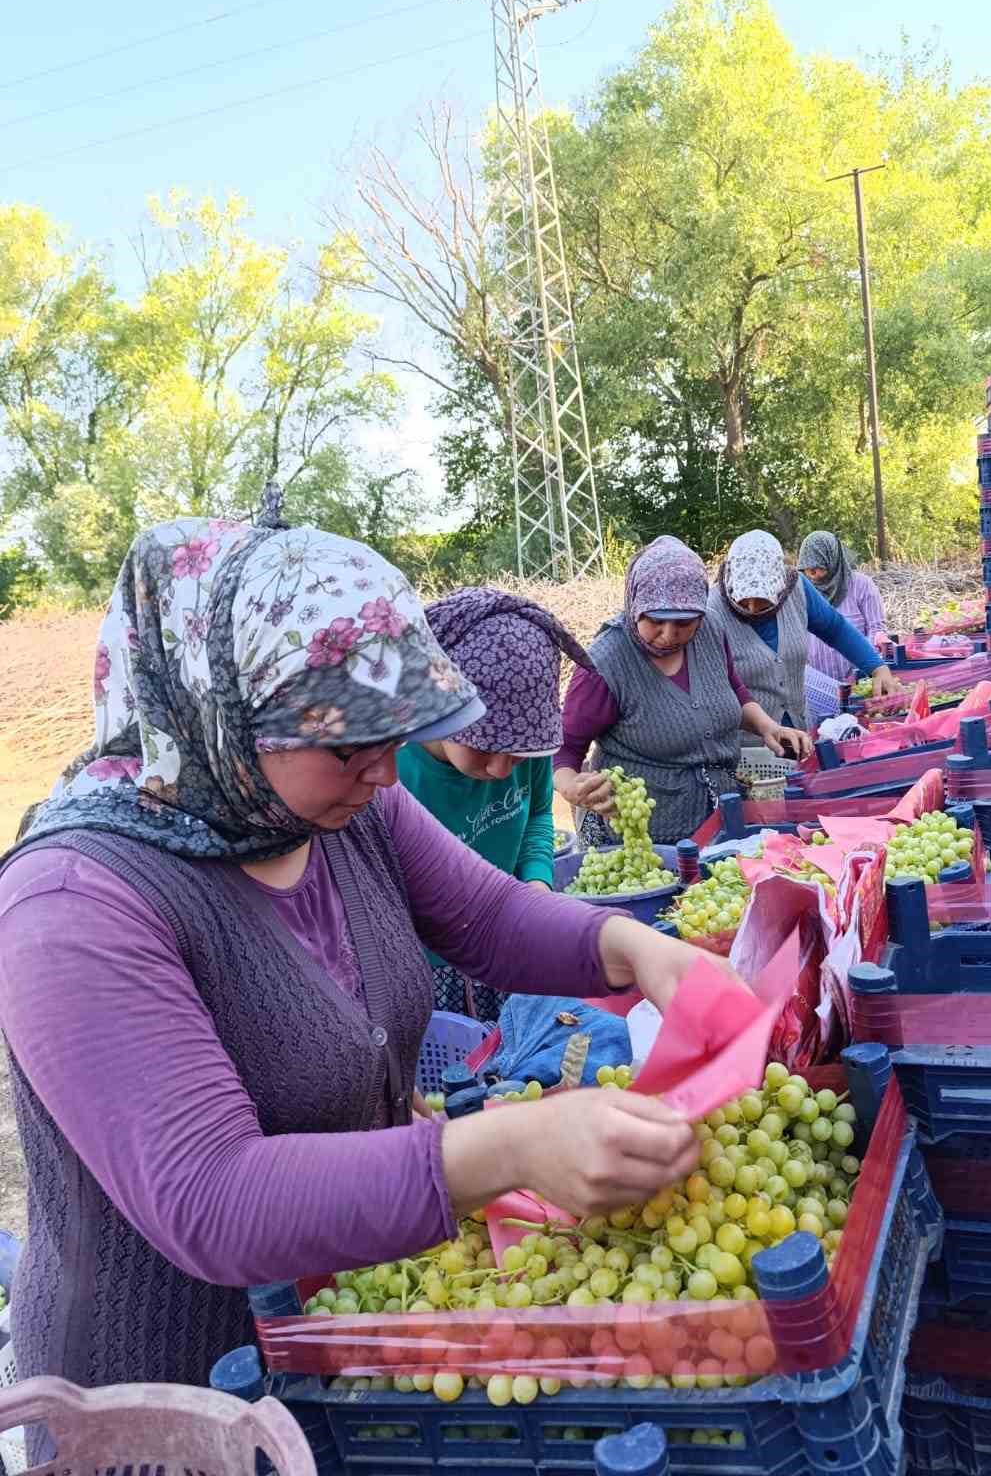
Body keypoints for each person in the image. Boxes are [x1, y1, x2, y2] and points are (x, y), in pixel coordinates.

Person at [0, 509, 704, 1400]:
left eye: (394, 732)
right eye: (346, 743)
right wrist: (510, 1148)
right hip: (176, 1394)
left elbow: (485, 914)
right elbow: (213, 1195)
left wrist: (632, 947)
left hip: (340, 1330)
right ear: (221, 710)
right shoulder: (74, 903)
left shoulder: (333, 809)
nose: (384, 771)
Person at [396, 586, 590, 1022]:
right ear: (441, 711)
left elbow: (539, 815)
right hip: (427, 967)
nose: (503, 770)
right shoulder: (392, 773)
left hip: (506, 944)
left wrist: (536, 884)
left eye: (519, 752)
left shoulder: (529, 755)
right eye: (484, 750)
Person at [554, 536, 810, 845]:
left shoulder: (711, 630)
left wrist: (767, 726)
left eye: (684, 623)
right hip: (644, 841)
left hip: (720, 823)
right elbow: (565, 750)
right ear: (635, 604)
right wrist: (571, 786)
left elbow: (732, 690)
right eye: (656, 621)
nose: (669, 635)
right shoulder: (606, 663)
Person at [710, 529, 901, 743]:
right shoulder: (712, 611)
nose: (753, 609)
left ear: (779, 585)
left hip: (800, 732)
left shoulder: (797, 589)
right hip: (747, 748)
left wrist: (877, 667)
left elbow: (835, 629)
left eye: (764, 601)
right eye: (744, 602)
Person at [800, 530, 896, 723]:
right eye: (808, 569)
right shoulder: (802, 593)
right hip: (820, 690)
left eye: (818, 566)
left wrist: (870, 666)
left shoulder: (861, 586)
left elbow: (876, 629)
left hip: (859, 687)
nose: (813, 573)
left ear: (833, 560)